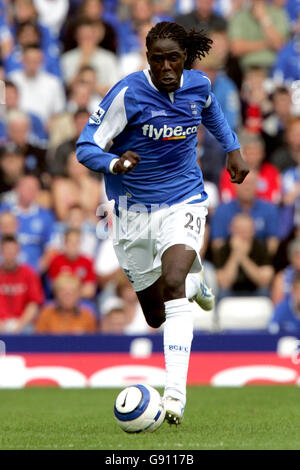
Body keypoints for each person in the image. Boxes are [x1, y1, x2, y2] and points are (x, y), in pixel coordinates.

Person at [76, 21, 249, 425]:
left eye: (174, 58)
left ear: (185, 58)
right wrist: (115, 162)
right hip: (129, 214)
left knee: (170, 285)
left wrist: (233, 149)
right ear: (147, 59)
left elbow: (214, 112)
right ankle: (193, 282)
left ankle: (174, 398)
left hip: (183, 201)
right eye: (158, 59)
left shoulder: (199, 86)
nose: (167, 67)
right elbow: (86, 146)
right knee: (156, 315)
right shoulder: (127, 94)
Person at [214, 213, 274, 299]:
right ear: (230, 230)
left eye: (246, 231)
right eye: (239, 231)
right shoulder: (222, 250)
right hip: (231, 292)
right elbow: (224, 283)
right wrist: (235, 255)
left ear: (253, 231)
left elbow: (264, 281)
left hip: (255, 291)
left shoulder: (261, 248)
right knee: (222, 293)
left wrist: (243, 257)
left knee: (264, 292)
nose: (243, 235)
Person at [0, 235, 44, 333]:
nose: (10, 254)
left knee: (31, 330)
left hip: (23, 324)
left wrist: (20, 325)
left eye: (13, 250)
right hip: (1, 324)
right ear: (2, 252)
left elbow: (33, 304)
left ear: (18, 252)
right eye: (7, 250)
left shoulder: (29, 273)